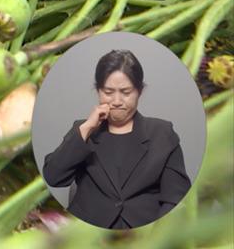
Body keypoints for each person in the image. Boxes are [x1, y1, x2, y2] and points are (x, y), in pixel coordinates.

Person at [42, 49, 191, 229]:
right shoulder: (83, 130)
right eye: (108, 92)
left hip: (144, 232)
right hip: (88, 232)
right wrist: (87, 128)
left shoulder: (162, 133)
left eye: (126, 92)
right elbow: (53, 177)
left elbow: (175, 197)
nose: (117, 101)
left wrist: (155, 235)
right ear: (98, 91)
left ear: (139, 91)